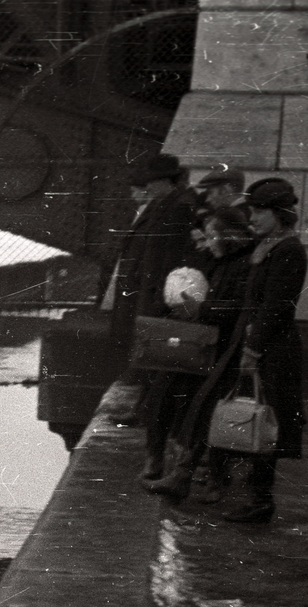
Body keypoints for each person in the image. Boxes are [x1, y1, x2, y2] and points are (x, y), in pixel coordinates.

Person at [142, 206, 255, 500]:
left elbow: (241, 308)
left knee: (211, 413)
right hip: (212, 345)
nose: (209, 241)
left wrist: (201, 309)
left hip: (227, 348)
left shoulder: (243, 265)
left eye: (213, 235)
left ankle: (204, 479)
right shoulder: (222, 261)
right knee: (191, 406)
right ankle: (185, 472)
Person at [219, 177, 308, 523]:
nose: (252, 217)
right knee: (256, 419)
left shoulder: (288, 250)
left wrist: (252, 352)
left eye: (259, 211)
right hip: (263, 344)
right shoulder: (272, 245)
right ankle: (255, 496)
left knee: (263, 424)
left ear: (279, 213)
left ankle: (260, 500)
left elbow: (276, 307)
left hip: (273, 350)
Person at [105, 153, 200, 472]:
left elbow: (169, 259)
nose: (147, 185)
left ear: (165, 180)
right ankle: (142, 410)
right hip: (145, 294)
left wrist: (160, 300)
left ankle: (144, 417)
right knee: (149, 357)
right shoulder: (168, 202)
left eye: (152, 180)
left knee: (154, 359)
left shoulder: (178, 205)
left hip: (155, 297)